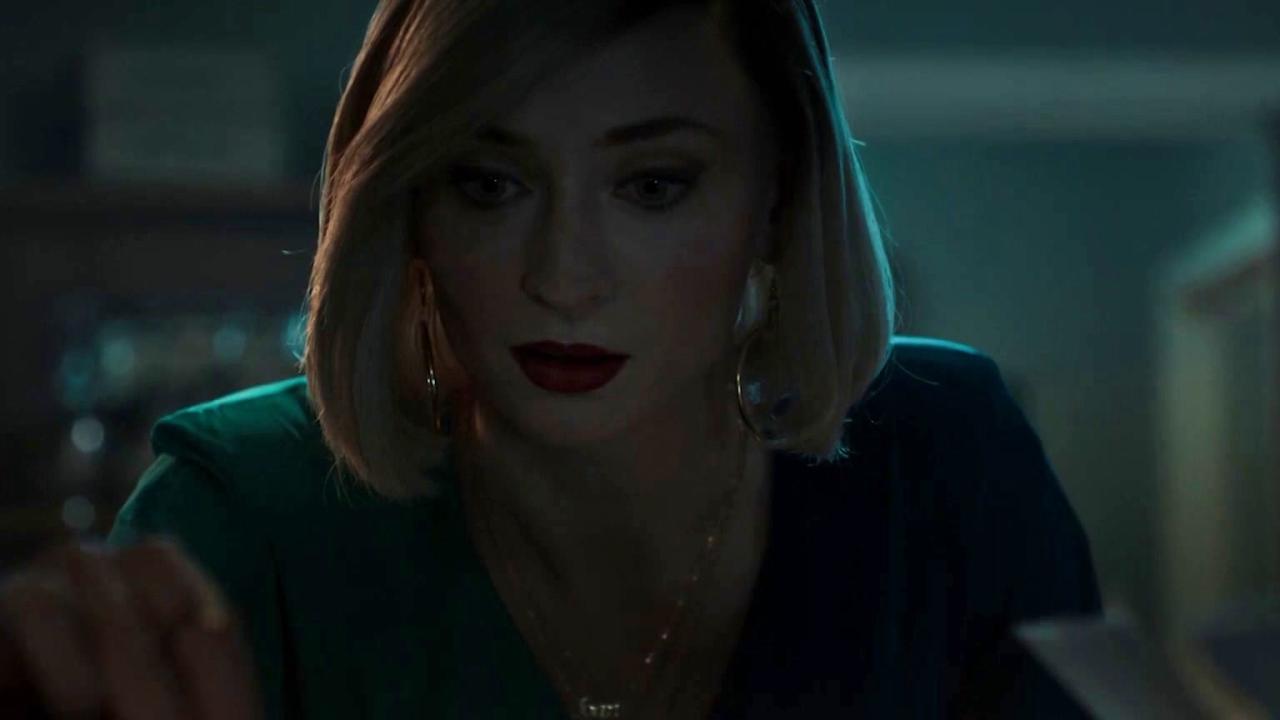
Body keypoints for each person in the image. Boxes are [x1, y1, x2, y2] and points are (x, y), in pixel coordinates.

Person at [0, 0, 1103, 717]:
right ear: (411, 210)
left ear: (776, 202)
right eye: (491, 184)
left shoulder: (942, 454)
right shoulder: (244, 511)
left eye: (653, 186)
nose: (563, 276)